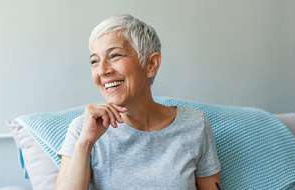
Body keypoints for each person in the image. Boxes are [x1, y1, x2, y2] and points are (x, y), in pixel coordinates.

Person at [55, 14, 221, 190]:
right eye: (94, 61)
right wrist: (85, 143)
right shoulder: (83, 129)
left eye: (115, 56)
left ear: (151, 64)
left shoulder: (195, 125)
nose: (102, 70)